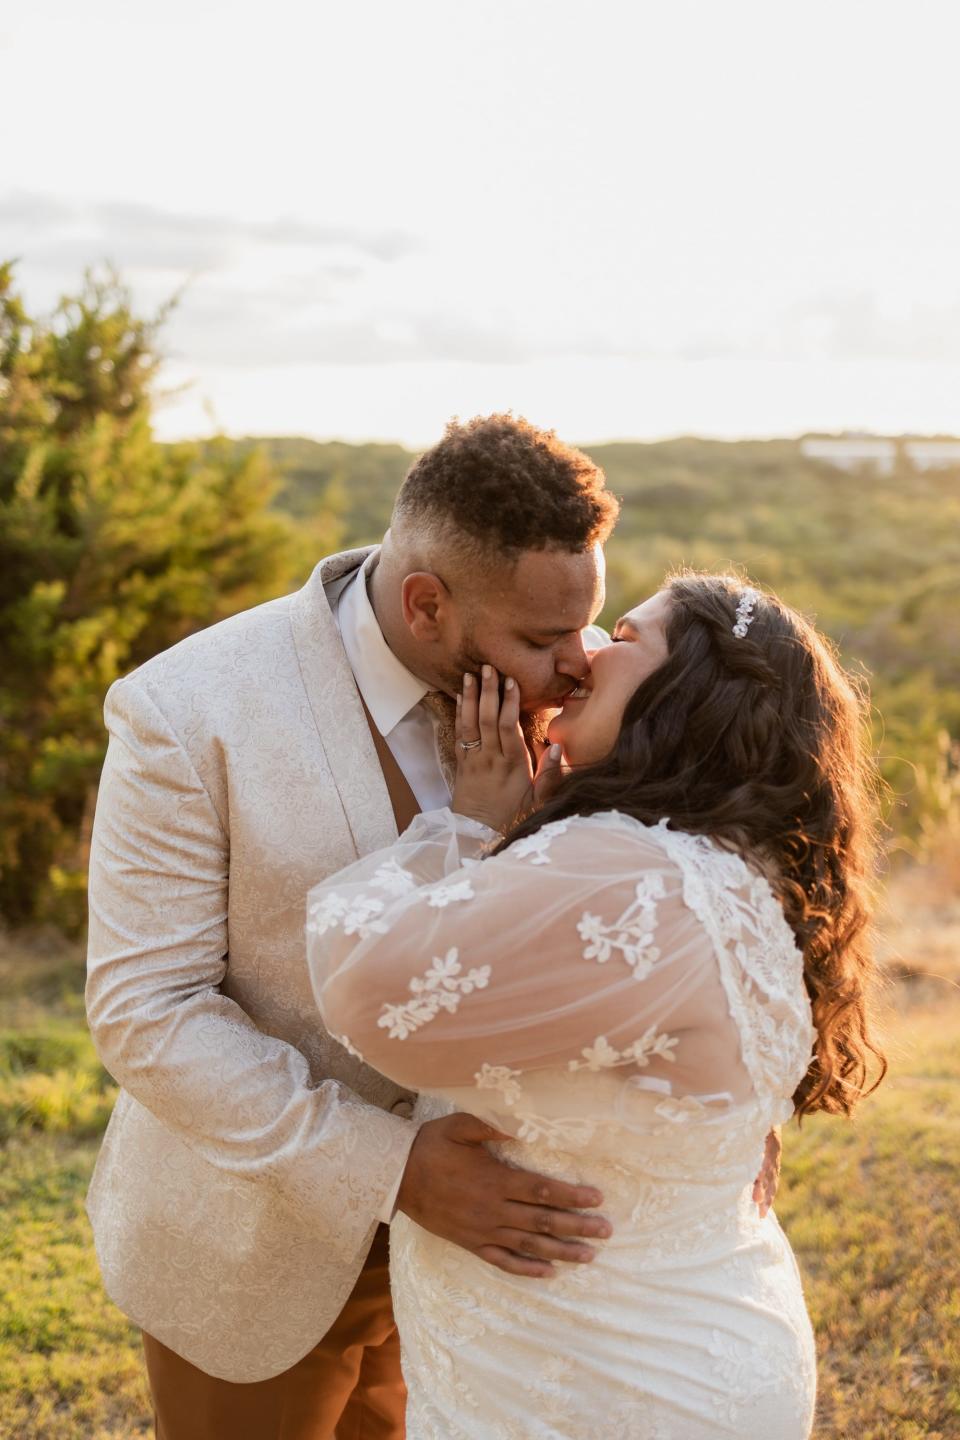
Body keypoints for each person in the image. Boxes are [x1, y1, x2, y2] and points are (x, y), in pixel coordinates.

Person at [84, 414, 631, 1439]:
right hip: (254, 1252)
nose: (580, 666)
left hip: (469, 1278)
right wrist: (395, 1170)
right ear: (426, 603)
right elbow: (144, 1013)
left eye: (587, 627)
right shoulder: (185, 711)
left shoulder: (575, 703)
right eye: (544, 640)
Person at [306, 572, 887, 1440]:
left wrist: (467, 828)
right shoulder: (744, 865)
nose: (586, 656)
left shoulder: (630, 875)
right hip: (690, 1346)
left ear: (685, 689)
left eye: (625, 635)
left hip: (599, 1388)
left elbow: (371, 991)